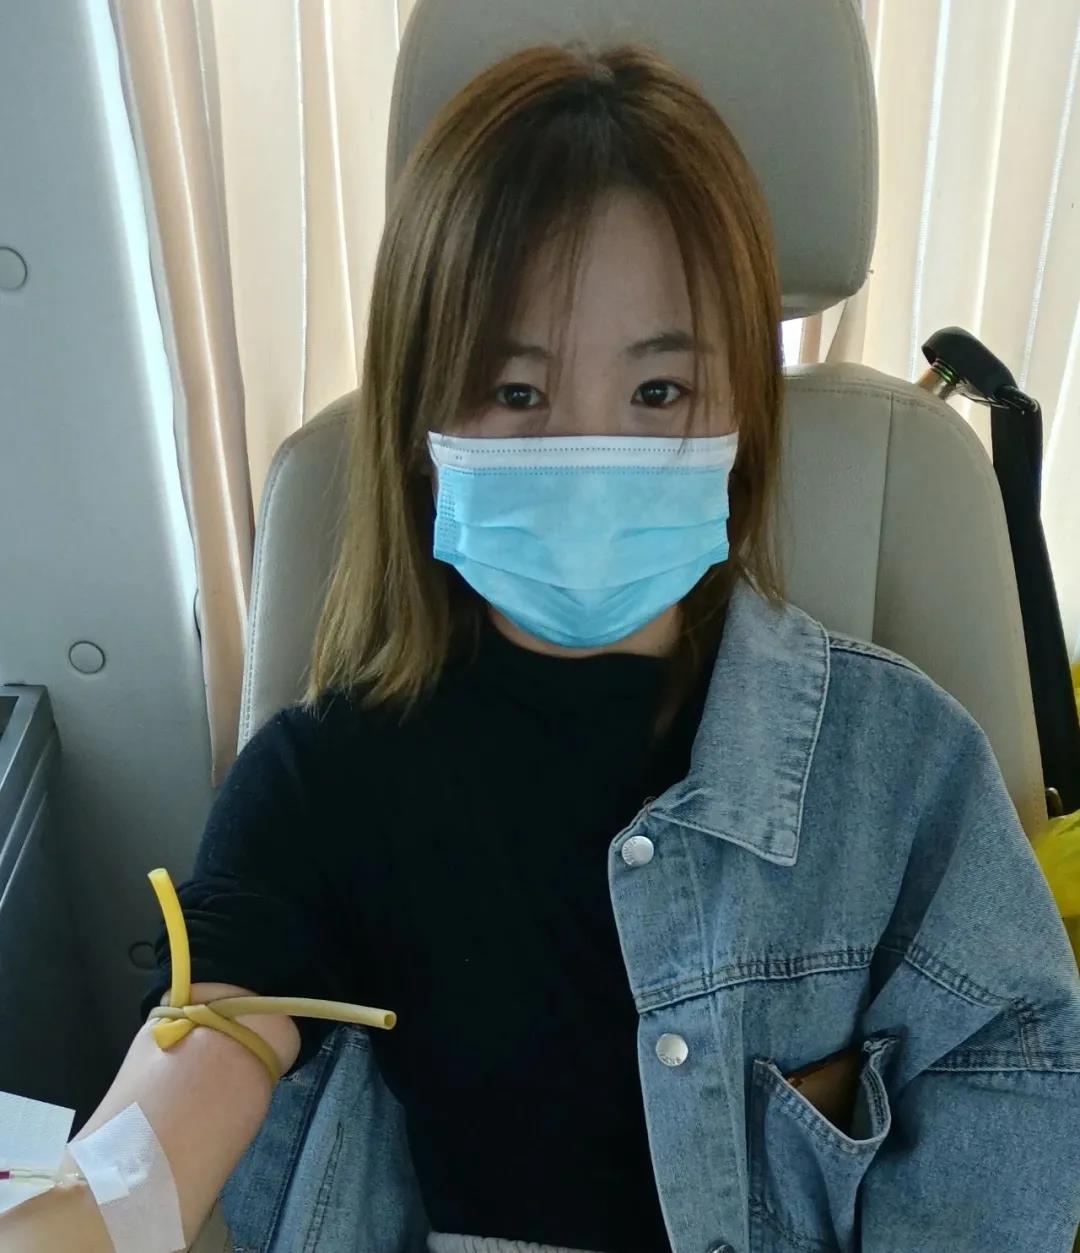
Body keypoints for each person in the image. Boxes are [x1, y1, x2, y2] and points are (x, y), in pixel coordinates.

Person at [10, 39, 1072, 1253]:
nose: (590, 449)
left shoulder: (902, 768)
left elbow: (1011, 1070)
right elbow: (155, 1135)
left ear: (743, 414)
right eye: (517, 394)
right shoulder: (319, 786)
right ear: (422, 421)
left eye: (659, 394)